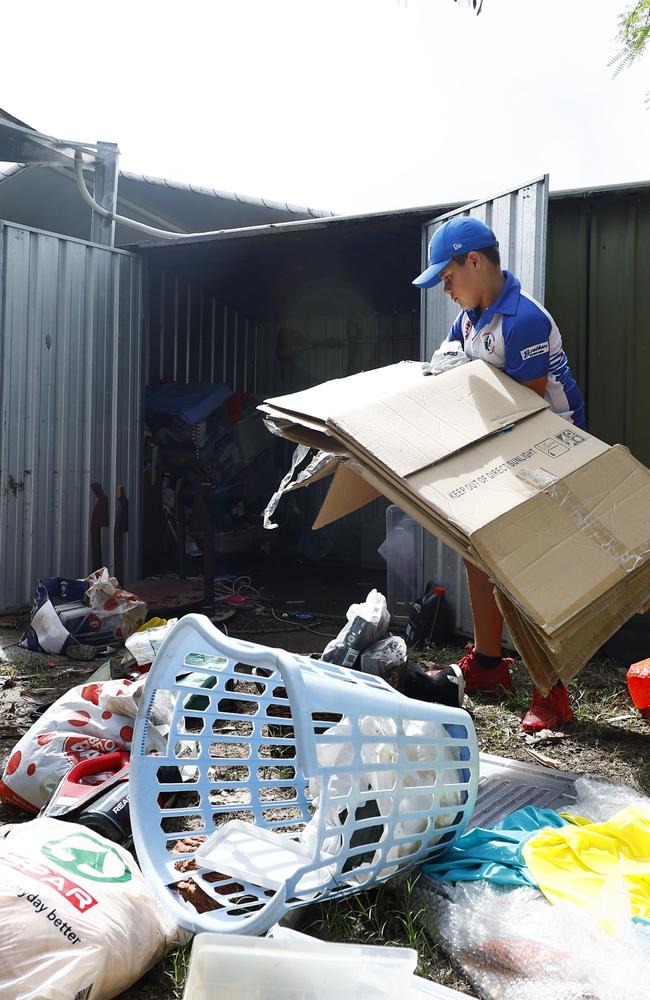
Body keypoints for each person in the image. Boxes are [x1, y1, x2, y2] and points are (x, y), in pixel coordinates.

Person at [412, 216, 586, 733]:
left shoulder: (523, 318)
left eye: (447, 275)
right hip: (500, 449)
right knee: (476, 554)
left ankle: (552, 693)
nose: (444, 287)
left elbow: (527, 403)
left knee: (524, 573)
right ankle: (489, 663)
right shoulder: (469, 318)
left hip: (548, 451)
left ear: (474, 261)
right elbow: (447, 365)